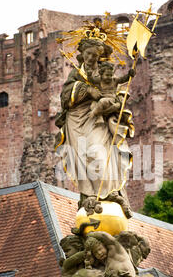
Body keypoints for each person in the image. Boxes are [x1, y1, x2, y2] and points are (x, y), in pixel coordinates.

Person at [55, 38, 134, 214]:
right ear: (82, 54)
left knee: (100, 155)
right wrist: (87, 90)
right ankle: (90, 195)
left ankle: (110, 193)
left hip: (99, 120)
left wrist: (118, 101)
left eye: (95, 55)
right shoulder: (76, 74)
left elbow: (116, 88)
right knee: (82, 157)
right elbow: (65, 98)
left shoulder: (104, 73)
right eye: (88, 54)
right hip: (77, 120)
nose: (91, 58)